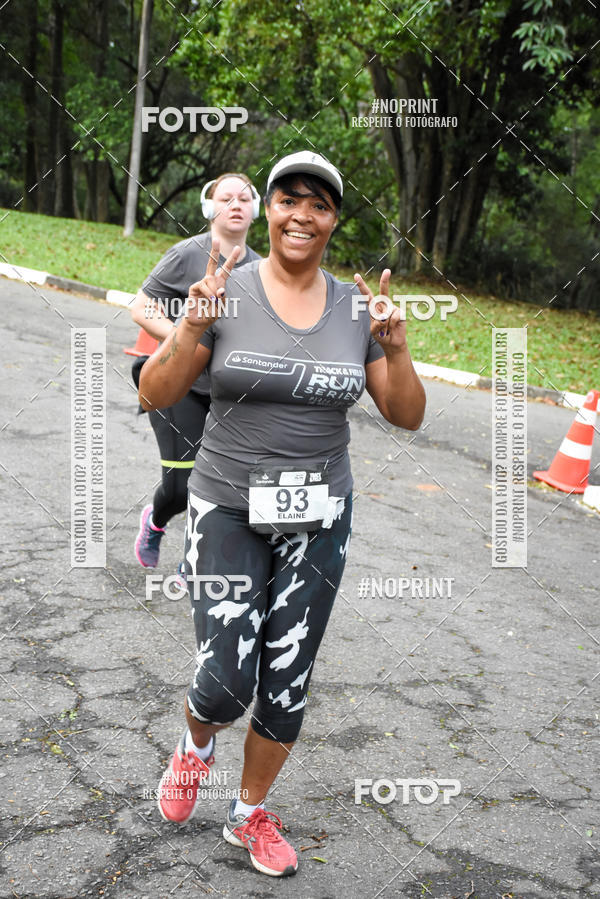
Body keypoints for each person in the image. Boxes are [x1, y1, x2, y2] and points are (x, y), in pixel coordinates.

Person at [138, 151, 426, 877]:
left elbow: (406, 414)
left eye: (319, 204)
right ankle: (195, 743)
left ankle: (247, 813)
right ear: (269, 209)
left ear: (334, 219)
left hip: (320, 514)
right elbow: (155, 393)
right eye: (288, 199)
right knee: (225, 678)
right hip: (226, 506)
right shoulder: (224, 290)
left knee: (287, 677)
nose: (303, 214)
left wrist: (397, 349)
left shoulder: (355, 307)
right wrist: (191, 328)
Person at [130, 173, 261, 572]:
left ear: (256, 211)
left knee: (228, 483)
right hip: (179, 384)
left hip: (227, 391)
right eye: (226, 198)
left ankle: (197, 559)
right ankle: (154, 521)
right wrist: (184, 341)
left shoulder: (263, 269)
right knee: (180, 487)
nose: (236, 204)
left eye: (244, 198)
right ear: (210, 209)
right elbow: (141, 306)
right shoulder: (187, 254)